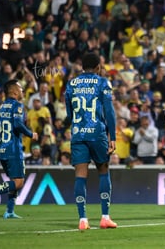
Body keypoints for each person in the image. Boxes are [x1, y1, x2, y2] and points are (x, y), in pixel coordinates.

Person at [65, 52, 117, 230]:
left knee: (80, 175)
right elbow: (109, 112)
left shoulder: (71, 84)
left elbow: (69, 113)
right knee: (103, 170)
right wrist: (113, 137)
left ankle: (82, 219)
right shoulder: (103, 82)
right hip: (97, 133)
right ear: (98, 67)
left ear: (81, 67)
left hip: (78, 134)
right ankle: (105, 217)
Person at [0, 80, 39, 218]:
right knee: (18, 182)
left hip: (2, 150)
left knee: (14, 181)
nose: (23, 91)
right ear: (14, 92)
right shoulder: (17, 106)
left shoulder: (0, 108)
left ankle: (10, 211)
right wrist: (31, 134)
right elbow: (18, 123)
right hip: (13, 149)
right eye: (21, 89)